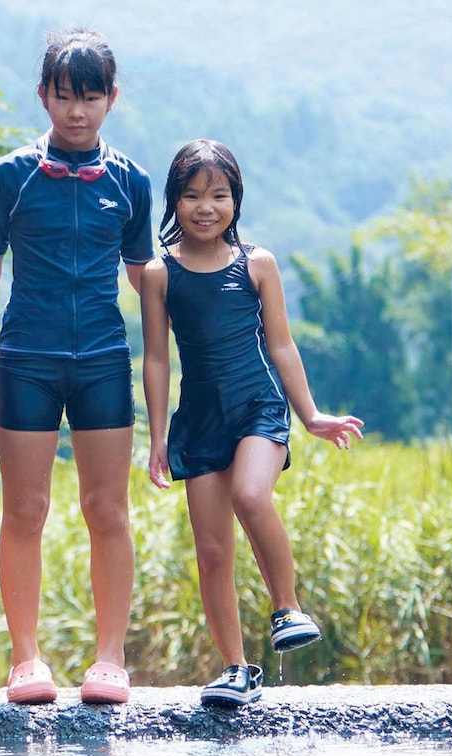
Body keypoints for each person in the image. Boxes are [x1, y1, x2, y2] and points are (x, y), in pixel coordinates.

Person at [0, 29, 152, 705]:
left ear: (111, 98)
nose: (76, 111)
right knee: (25, 509)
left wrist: (191, 339)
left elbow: (146, 278)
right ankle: (25, 658)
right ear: (42, 96)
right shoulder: (8, 176)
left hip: (103, 359)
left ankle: (110, 659)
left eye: (90, 98)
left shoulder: (131, 181)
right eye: (64, 97)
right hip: (26, 360)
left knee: (107, 509)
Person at [140, 139, 365, 707]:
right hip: (198, 419)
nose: (205, 207)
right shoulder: (159, 273)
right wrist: (158, 436)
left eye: (219, 195)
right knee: (213, 551)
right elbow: (157, 359)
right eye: (192, 196)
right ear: (174, 200)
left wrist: (310, 414)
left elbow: (282, 344)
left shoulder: (257, 263)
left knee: (250, 493)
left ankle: (287, 608)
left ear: (236, 199)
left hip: (259, 406)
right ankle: (237, 669)